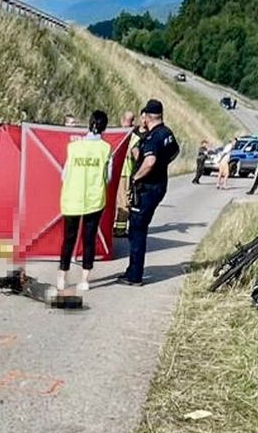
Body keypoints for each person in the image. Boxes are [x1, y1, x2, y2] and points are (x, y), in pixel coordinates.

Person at [118, 99, 178, 286]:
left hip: (147, 188)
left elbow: (150, 161)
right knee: (138, 228)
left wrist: (136, 177)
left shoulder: (154, 137)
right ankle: (132, 269)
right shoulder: (167, 133)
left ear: (147, 117)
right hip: (159, 185)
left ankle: (134, 275)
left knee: (137, 230)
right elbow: (173, 152)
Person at [57, 110, 112, 292]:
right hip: (93, 199)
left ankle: (62, 277)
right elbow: (108, 177)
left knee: (68, 239)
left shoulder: (73, 147)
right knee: (88, 239)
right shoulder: (106, 149)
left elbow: (64, 174)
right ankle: (84, 280)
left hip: (72, 197)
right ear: (104, 127)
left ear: (89, 124)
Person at [114, 111, 138, 237]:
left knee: (118, 202)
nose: (132, 123)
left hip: (118, 172)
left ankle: (116, 226)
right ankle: (120, 230)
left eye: (133, 120)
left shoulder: (114, 134)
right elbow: (137, 156)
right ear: (122, 120)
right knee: (124, 203)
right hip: (124, 174)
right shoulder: (132, 137)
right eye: (130, 120)